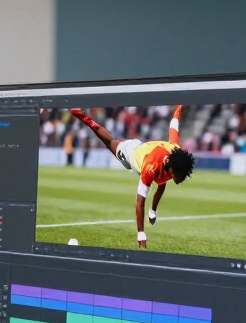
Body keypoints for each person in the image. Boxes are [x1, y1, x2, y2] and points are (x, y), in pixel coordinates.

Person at [70, 105, 195, 249]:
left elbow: (174, 125)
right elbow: (140, 202)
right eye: (178, 175)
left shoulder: (175, 153)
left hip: (144, 149)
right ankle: (82, 116)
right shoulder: (150, 168)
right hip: (130, 153)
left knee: (161, 177)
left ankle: (81, 115)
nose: (178, 180)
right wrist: (141, 234)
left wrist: (179, 107)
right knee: (109, 141)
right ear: (171, 166)